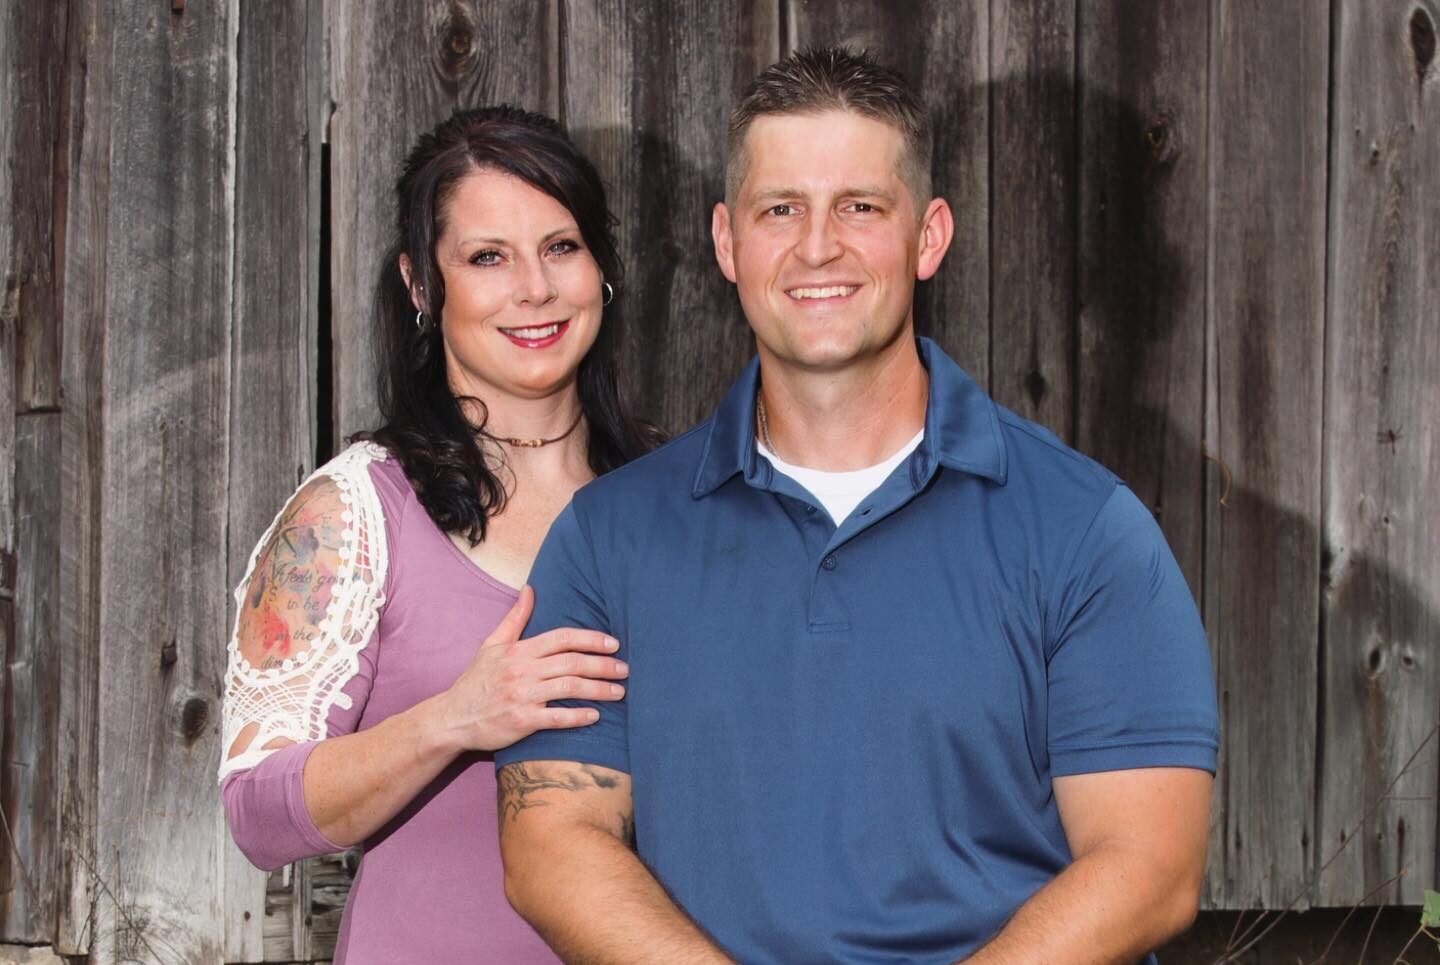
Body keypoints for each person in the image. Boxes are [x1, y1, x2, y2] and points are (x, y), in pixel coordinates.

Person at [494, 47, 1219, 965]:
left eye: (860, 207)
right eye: (780, 209)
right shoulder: (609, 539)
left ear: (929, 236)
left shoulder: (1084, 529)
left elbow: (1150, 865)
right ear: (727, 242)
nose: (817, 247)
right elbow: (552, 844)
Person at [218, 106, 657, 963]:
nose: (535, 287)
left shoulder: (675, 498)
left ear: (601, 268)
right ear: (421, 285)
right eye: (488, 256)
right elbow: (257, 810)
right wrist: (456, 717)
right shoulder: (356, 510)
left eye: (561, 246)